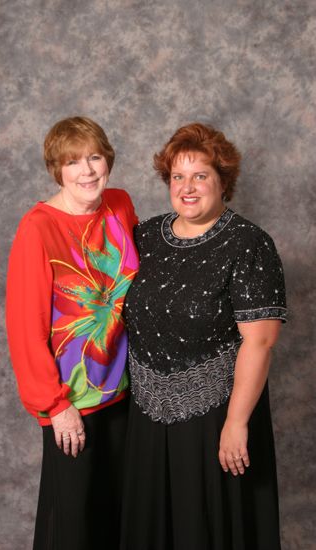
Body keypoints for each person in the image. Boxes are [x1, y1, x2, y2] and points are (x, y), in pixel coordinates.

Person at [120, 122, 287, 550]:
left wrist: (236, 423)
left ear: (222, 182)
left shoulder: (249, 244)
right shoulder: (145, 238)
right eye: (178, 176)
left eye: (200, 176)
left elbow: (260, 342)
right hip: (146, 418)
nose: (187, 188)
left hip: (216, 416)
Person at [6, 116, 139, 550]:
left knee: (118, 513)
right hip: (72, 401)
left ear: (108, 162)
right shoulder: (38, 228)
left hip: (125, 391)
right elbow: (25, 330)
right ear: (56, 169)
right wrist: (55, 405)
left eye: (94, 157)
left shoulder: (119, 205)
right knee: (73, 522)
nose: (87, 171)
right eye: (73, 162)